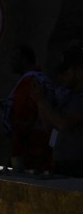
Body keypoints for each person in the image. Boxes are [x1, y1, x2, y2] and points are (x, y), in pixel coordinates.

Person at [34, 44, 83, 177]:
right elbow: (48, 124)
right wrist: (40, 101)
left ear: (80, 73)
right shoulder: (68, 96)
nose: (61, 77)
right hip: (63, 162)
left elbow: (63, 124)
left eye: (66, 73)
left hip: (78, 164)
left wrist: (42, 101)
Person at [6, 45, 54, 172]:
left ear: (24, 59)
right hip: (39, 143)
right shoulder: (42, 79)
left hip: (31, 146)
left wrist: (17, 146)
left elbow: (23, 116)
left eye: (14, 58)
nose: (10, 62)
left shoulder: (29, 81)